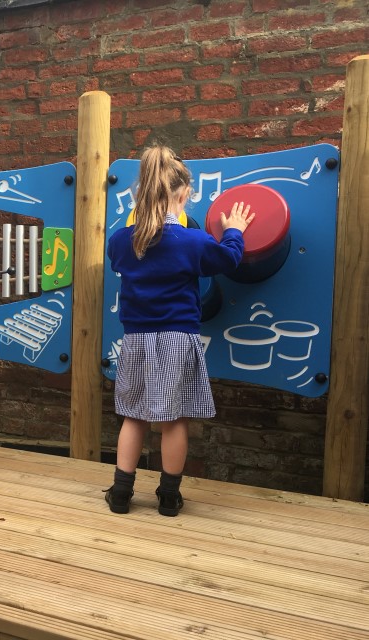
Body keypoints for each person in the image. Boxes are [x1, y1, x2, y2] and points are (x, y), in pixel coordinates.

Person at [104, 145, 254, 516]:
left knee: (133, 414)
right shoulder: (193, 241)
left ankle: (121, 493)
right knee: (173, 420)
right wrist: (234, 231)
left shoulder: (121, 241)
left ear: (140, 195)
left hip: (136, 339)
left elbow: (122, 252)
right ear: (185, 195)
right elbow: (229, 258)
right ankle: (169, 498)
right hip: (177, 339)